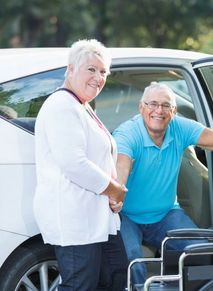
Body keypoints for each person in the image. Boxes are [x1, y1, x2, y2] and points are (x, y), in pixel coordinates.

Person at [113, 82, 213, 285]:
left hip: (166, 214)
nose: (159, 111)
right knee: (131, 261)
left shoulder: (179, 127)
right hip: (127, 216)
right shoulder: (128, 134)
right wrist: (117, 190)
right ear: (141, 107)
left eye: (165, 106)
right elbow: (121, 166)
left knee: (201, 253)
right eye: (152, 104)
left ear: (174, 111)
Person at [34, 39, 128, 291]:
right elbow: (74, 164)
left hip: (98, 220)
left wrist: (113, 193)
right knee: (80, 286)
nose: (99, 77)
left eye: (103, 72)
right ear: (71, 69)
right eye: (92, 69)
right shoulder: (61, 106)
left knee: (117, 277)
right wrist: (114, 189)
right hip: (76, 221)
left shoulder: (80, 106)